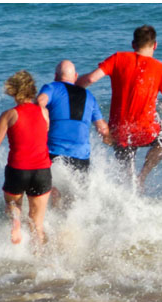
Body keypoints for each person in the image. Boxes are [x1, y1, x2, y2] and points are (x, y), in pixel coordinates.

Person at [76, 24, 162, 191]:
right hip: (146, 132)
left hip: (119, 132)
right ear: (155, 45)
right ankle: (143, 176)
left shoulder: (118, 58)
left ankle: (129, 193)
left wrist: (73, 85)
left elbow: (90, 79)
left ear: (133, 45)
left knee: (127, 180)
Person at [0, 70, 51, 246]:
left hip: (18, 170)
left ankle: (15, 219)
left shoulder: (9, 115)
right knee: (37, 222)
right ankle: (38, 259)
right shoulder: (44, 112)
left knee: (13, 205)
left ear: (13, 91)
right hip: (42, 170)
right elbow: (44, 132)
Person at [37, 60, 111, 205]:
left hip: (54, 152)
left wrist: (43, 121)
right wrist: (110, 140)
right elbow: (102, 128)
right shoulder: (89, 96)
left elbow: (39, 102)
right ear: (75, 76)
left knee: (53, 192)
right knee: (75, 198)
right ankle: (71, 225)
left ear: (55, 76)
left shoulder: (51, 87)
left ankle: (52, 222)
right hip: (81, 155)